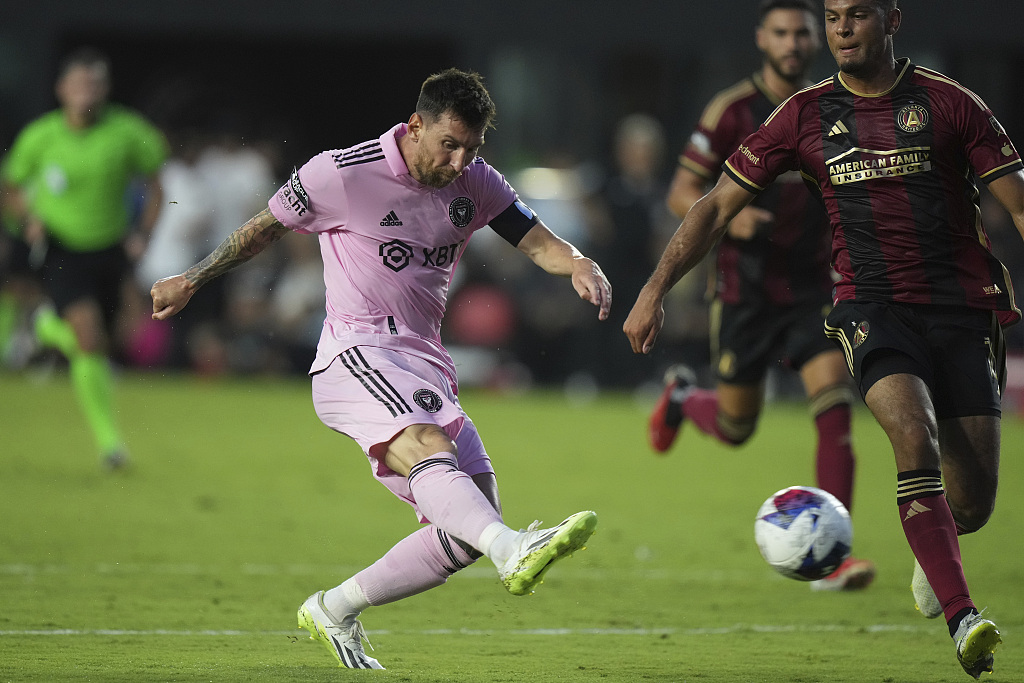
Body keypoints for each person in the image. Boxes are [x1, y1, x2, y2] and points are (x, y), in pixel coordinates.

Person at [151, 68, 608, 670]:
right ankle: (515, 547)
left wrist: (577, 263)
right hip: (355, 355)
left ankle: (334, 608)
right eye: (449, 144)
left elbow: (534, 237)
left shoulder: (477, 183)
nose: (459, 160)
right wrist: (192, 278)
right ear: (415, 126)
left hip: (422, 362)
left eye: (472, 148)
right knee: (433, 459)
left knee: (469, 521)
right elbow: (262, 230)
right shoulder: (342, 173)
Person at [626, 0, 1023, 678]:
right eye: (832, 15)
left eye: (856, 15)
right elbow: (712, 202)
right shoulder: (800, 115)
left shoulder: (952, 105)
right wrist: (655, 286)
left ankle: (939, 555)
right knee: (905, 432)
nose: (840, 28)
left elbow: (1017, 201)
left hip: (960, 310)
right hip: (862, 305)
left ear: (891, 20)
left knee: (974, 501)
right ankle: (964, 617)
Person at [650, 0, 874, 592]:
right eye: (782, 33)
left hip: (813, 289)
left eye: (804, 33)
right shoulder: (732, 111)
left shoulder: (837, 103)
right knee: (735, 426)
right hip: (744, 291)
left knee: (834, 403)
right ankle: (682, 398)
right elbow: (681, 194)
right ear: (762, 40)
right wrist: (734, 222)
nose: (795, 43)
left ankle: (835, 556)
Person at [0, 47, 168, 469]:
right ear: (61, 90)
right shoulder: (41, 136)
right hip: (60, 248)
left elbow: (156, 186)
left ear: (105, 89)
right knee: (89, 337)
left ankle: (44, 330)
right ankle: (111, 444)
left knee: (101, 345)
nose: (85, 92)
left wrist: (143, 234)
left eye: (93, 84)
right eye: (78, 84)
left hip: (110, 250)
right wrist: (28, 219)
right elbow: (11, 187)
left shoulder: (129, 132)